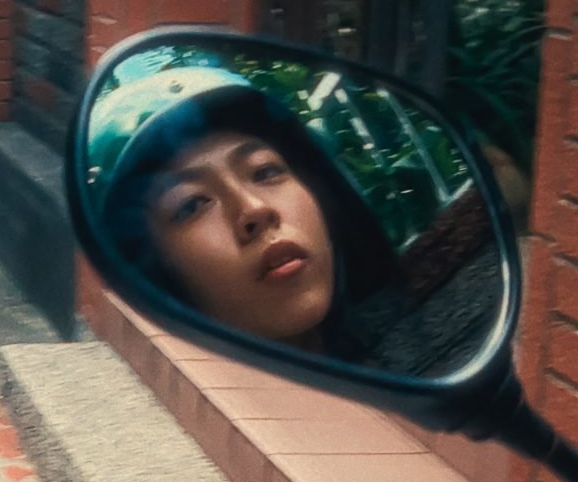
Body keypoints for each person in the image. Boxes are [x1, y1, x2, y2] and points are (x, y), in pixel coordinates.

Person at [91, 65, 398, 355]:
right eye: (192, 204)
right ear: (157, 279)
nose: (255, 209)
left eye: (264, 172)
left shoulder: (404, 344)